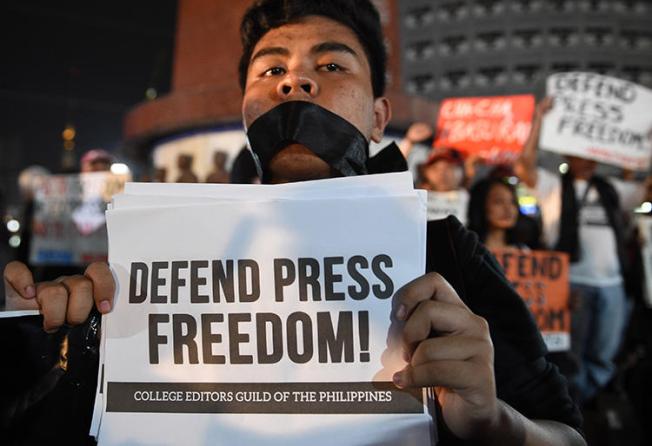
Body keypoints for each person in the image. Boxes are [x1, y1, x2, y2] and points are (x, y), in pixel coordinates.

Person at [3, 1, 584, 444]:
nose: (295, 81)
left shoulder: (446, 253)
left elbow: (567, 433)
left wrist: (492, 420)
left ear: (379, 117)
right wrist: (62, 347)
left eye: (331, 64)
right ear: (246, 110)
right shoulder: (156, 258)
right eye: (271, 68)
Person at [515, 97, 646, 406]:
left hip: (613, 284)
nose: (587, 158)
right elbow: (523, 166)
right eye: (580, 152)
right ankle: (575, 408)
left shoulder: (612, 189)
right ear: (567, 155)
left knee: (604, 353)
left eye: (592, 152)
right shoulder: (551, 186)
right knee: (570, 356)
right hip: (570, 283)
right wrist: (538, 120)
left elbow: (646, 189)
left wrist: (642, 141)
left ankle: (580, 403)